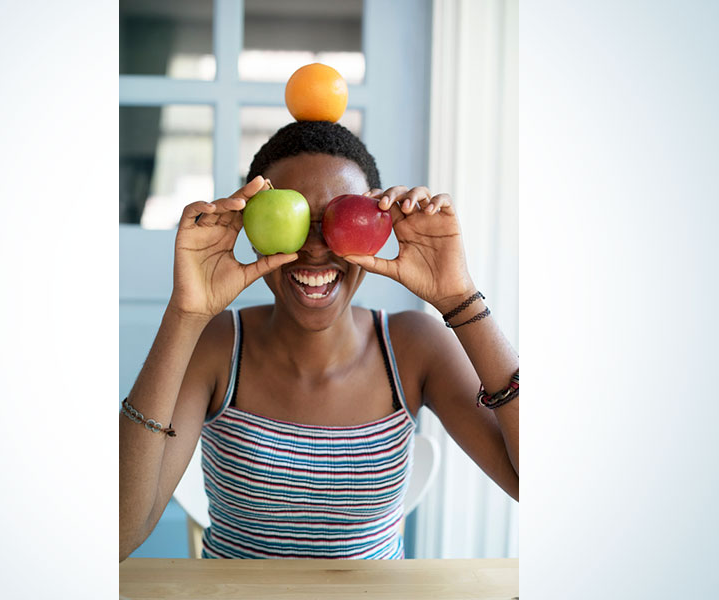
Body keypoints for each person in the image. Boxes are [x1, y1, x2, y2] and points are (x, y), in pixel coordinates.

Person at [119, 121, 518, 561]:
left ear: (381, 228)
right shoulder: (217, 346)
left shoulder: (413, 347)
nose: (314, 249)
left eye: (337, 220)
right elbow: (119, 534)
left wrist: (459, 296)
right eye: (293, 223)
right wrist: (185, 314)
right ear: (251, 229)